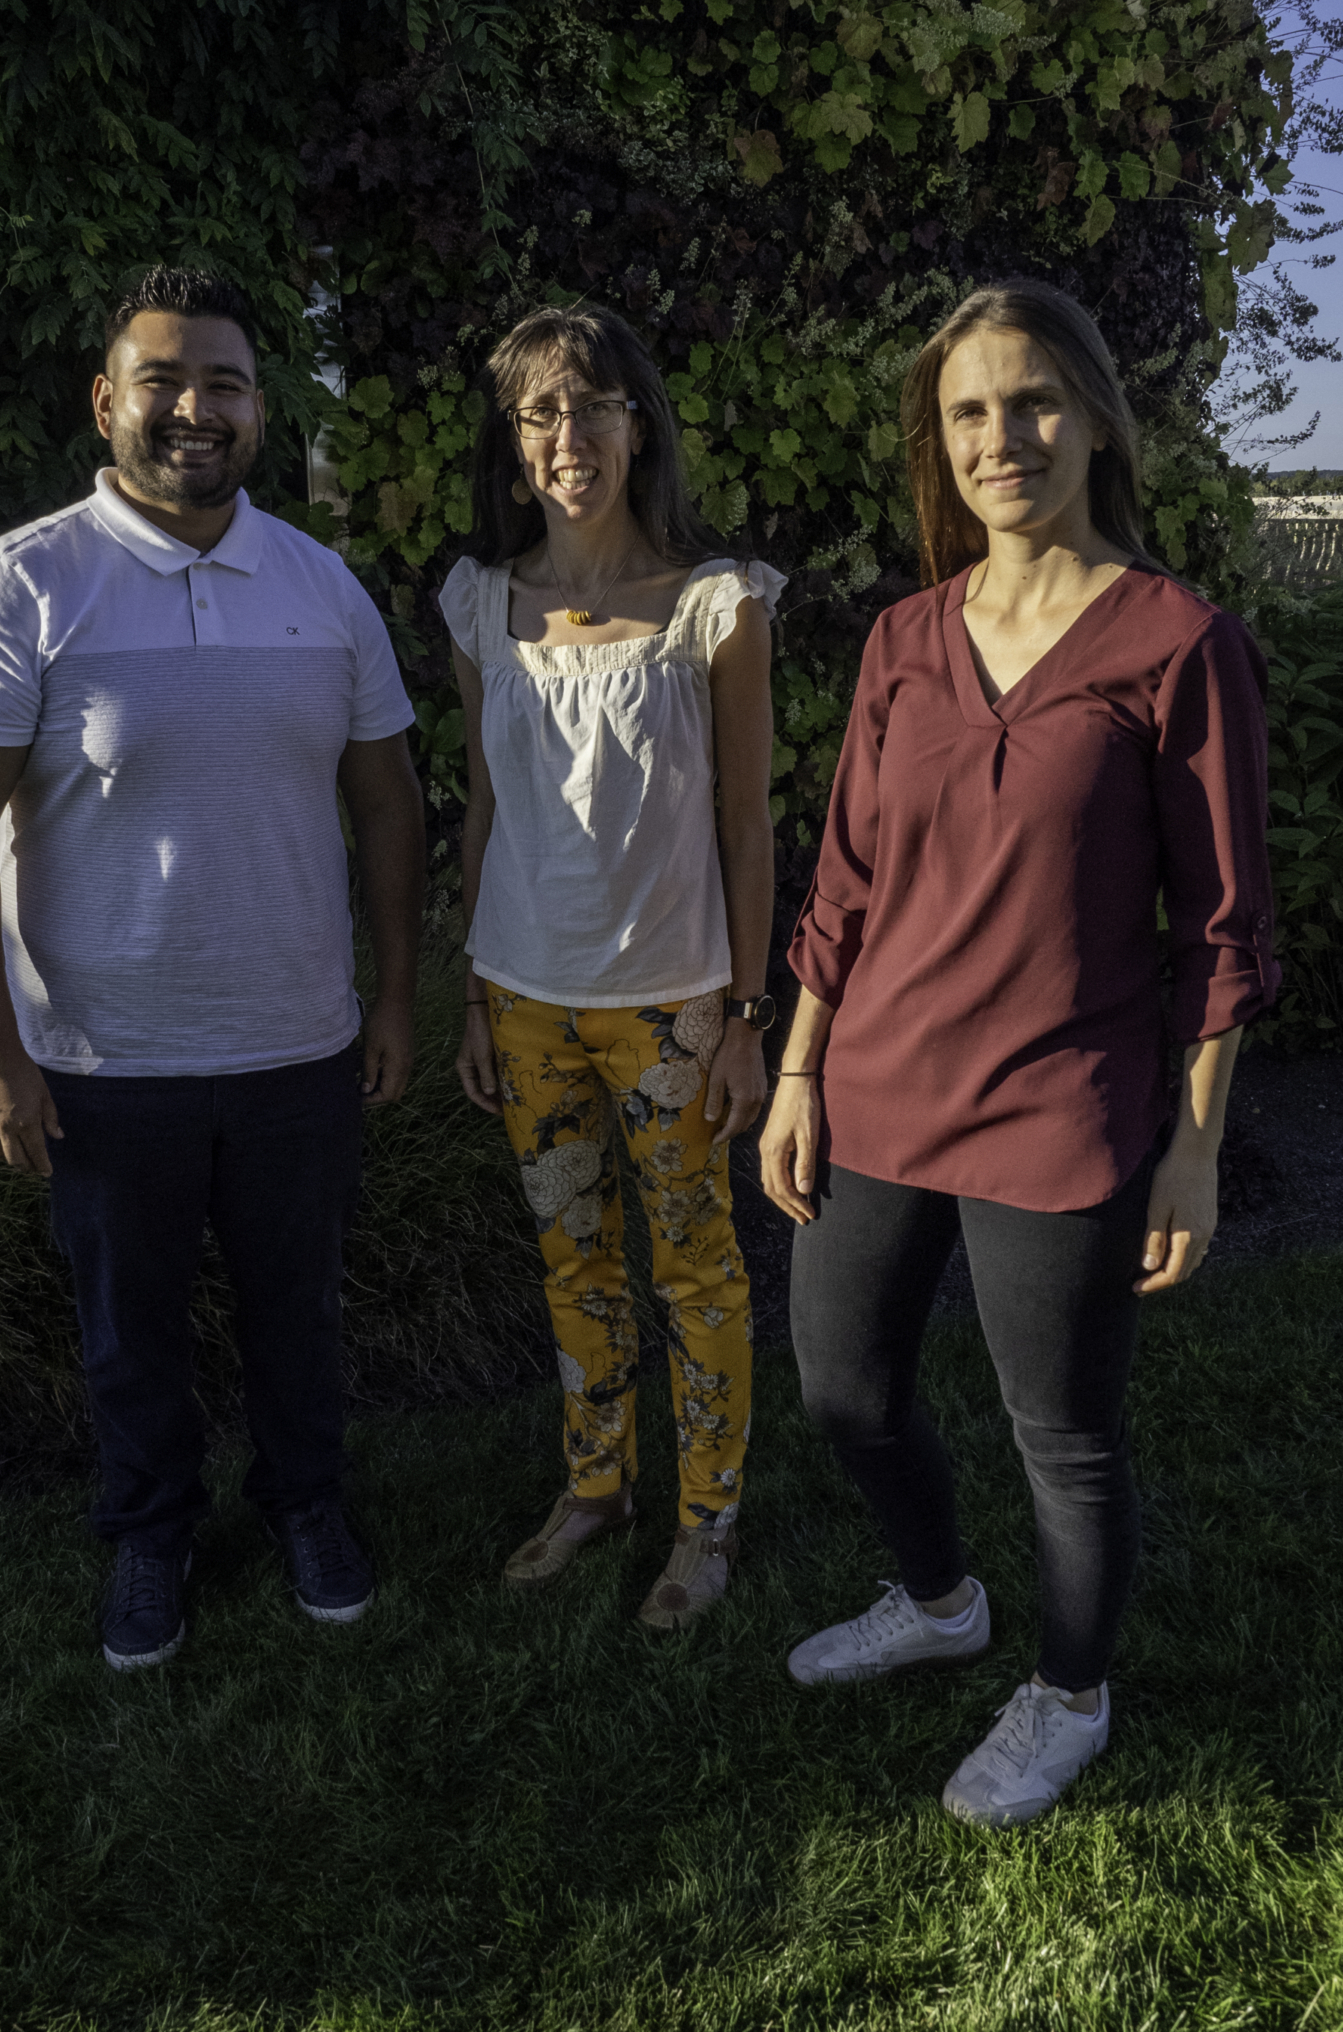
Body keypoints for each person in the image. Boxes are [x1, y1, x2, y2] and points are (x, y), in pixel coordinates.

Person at [759, 280, 1278, 1824]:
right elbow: (846, 873)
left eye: (1036, 400)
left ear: (1099, 418)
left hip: (1066, 1103)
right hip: (878, 1087)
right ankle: (936, 1601)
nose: (1006, 437)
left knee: (1064, 1436)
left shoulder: (1180, 644)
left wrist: (1192, 1144)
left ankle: (1067, 1691)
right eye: (972, 411)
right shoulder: (907, 638)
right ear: (942, 440)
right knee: (846, 1391)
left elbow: (1226, 924)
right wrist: (797, 1069)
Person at [0, 266, 425, 1671]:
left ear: (260, 411)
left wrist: (391, 997)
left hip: (296, 1044)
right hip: (101, 1059)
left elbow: (386, 802)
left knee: (297, 1312)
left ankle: (308, 1506)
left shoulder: (322, 588)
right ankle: (150, 1533)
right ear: (107, 401)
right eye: (166, 381)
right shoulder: (23, 584)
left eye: (226, 385)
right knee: (130, 1334)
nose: (196, 409)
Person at [443, 305, 780, 1629]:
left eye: (593, 407)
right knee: (572, 1259)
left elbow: (748, 828)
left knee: (695, 1270)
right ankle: (598, 1488)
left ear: (640, 426)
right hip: (526, 999)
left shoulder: (718, 602)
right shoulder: (480, 603)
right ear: (516, 443)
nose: (568, 436)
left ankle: (710, 1521)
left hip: (673, 1005)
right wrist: (473, 990)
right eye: (540, 413)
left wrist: (748, 1016)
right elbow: (480, 807)